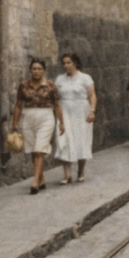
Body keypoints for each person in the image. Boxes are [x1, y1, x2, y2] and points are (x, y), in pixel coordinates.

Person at [12, 58, 64, 195]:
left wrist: (62, 123)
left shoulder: (51, 85)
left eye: (39, 69)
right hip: (28, 117)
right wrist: (14, 123)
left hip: (46, 117)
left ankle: (34, 182)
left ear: (44, 70)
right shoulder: (23, 85)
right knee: (33, 151)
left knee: (40, 150)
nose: (36, 71)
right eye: (34, 69)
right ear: (30, 70)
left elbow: (58, 104)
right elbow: (18, 105)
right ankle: (41, 178)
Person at [55, 53, 97, 184]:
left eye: (68, 62)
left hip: (81, 112)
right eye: (64, 63)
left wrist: (92, 111)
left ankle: (80, 171)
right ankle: (67, 175)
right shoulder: (60, 79)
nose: (66, 65)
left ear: (75, 63)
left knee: (81, 139)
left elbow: (92, 96)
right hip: (65, 111)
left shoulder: (85, 78)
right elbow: (57, 99)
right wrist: (60, 118)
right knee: (64, 140)